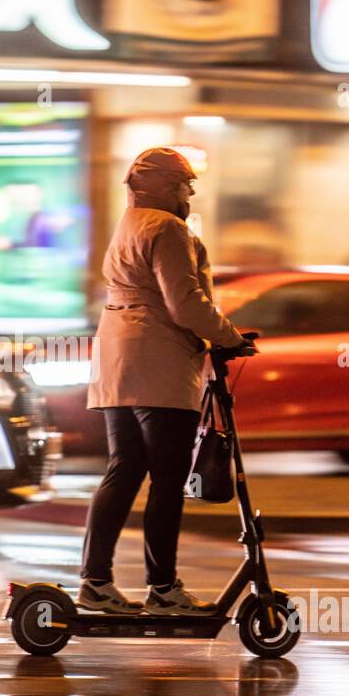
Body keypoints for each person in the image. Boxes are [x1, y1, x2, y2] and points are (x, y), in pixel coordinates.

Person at [80, 147, 248, 616]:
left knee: (123, 469)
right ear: (159, 187)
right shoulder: (168, 229)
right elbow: (185, 303)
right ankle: (163, 589)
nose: (189, 193)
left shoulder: (127, 226)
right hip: (159, 363)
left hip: (117, 359)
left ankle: (95, 581)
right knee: (168, 479)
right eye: (182, 184)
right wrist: (229, 337)